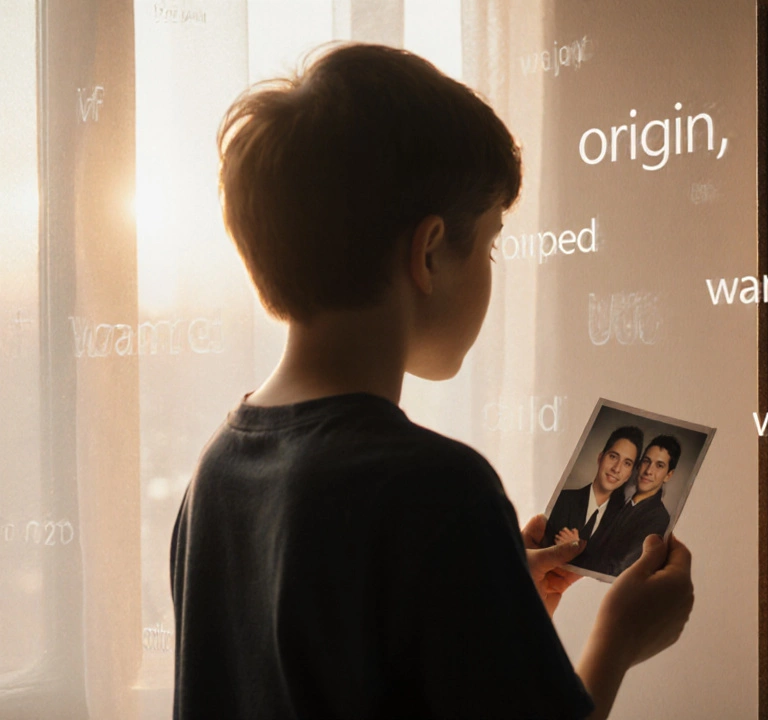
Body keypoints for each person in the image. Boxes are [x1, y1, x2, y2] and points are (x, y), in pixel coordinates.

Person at [169, 43, 693, 720]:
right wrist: (619, 638)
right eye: (491, 243)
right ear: (428, 251)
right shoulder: (439, 490)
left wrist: (498, 609)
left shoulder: (215, 473)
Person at [592, 436, 682, 577]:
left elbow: (621, 569)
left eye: (659, 466)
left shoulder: (659, 519)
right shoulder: (618, 501)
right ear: (639, 464)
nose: (648, 471)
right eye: (646, 461)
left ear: (668, 475)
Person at [544, 426, 643, 549]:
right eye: (613, 456)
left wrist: (574, 548)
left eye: (627, 463)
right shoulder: (561, 499)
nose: (616, 468)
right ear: (600, 458)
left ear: (629, 474)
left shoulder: (622, 522)